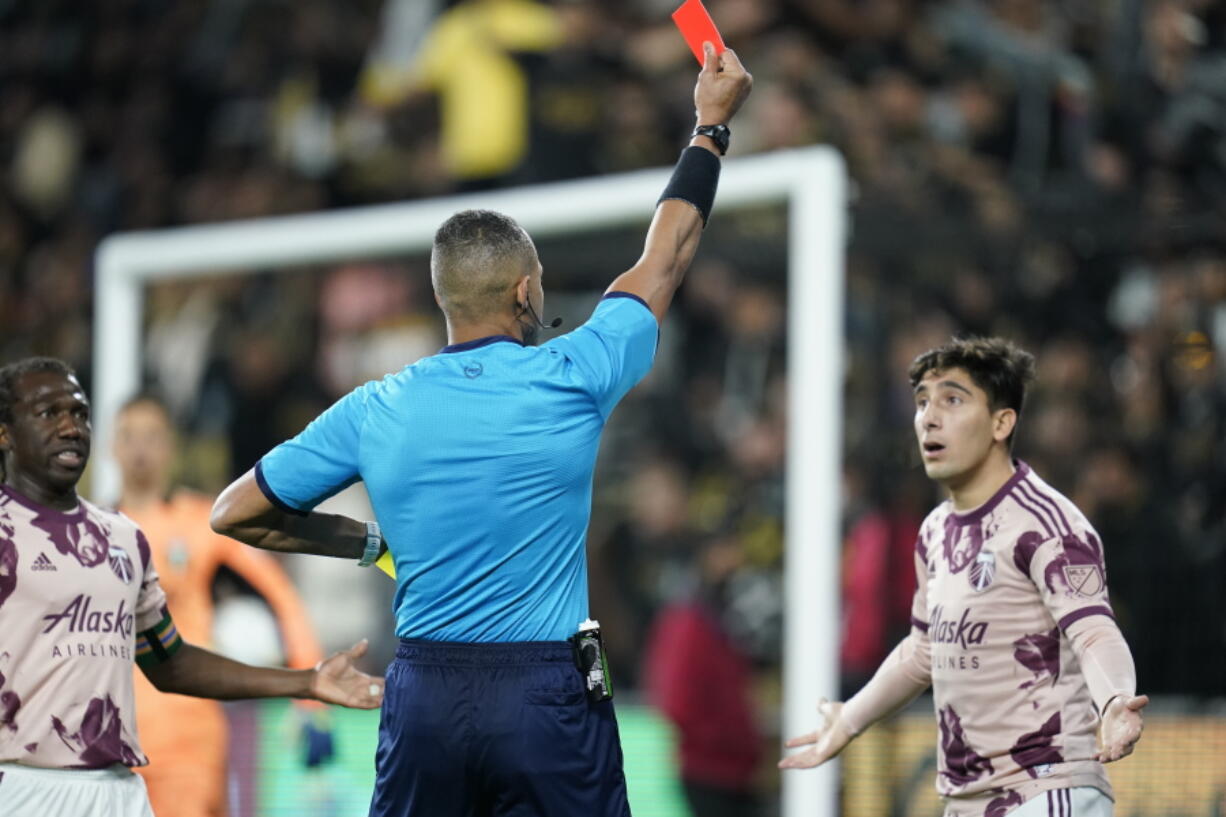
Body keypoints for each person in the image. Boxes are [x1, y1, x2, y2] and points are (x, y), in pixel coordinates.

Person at [210, 42, 752, 817]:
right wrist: (709, 129)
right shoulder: (574, 371)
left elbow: (236, 512)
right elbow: (665, 256)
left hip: (426, 687)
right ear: (526, 289)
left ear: (445, 301)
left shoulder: (377, 405)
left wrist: (370, 546)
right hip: (548, 693)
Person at [780, 337, 1149, 817]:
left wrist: (1115, 700)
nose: (929, 417)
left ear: (1002, 422)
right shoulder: (936, 530)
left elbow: (1094, 629)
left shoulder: (1046, 525)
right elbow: (924, 651)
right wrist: (850, 718)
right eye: (922, 402)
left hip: (1047, 789)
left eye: (952, 400)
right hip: (968, 802)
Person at [0, 357, 384, 817]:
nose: (69, 427)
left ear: (172, 447)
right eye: (49, 413)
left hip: (156, 761)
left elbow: (176, 659)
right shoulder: (19, 535)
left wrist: (308, 683)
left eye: (79, 414)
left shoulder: (138, 536)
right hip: (28, 777)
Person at [111, 394, 327, 817]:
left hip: (188, 744)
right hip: (107, 743)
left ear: (171, 447)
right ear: (111, 447)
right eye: (128, 437)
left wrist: (310, 700)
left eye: (152, 437)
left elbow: (280, 593)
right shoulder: (88, 530)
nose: (140, 450)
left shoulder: (202, 521)